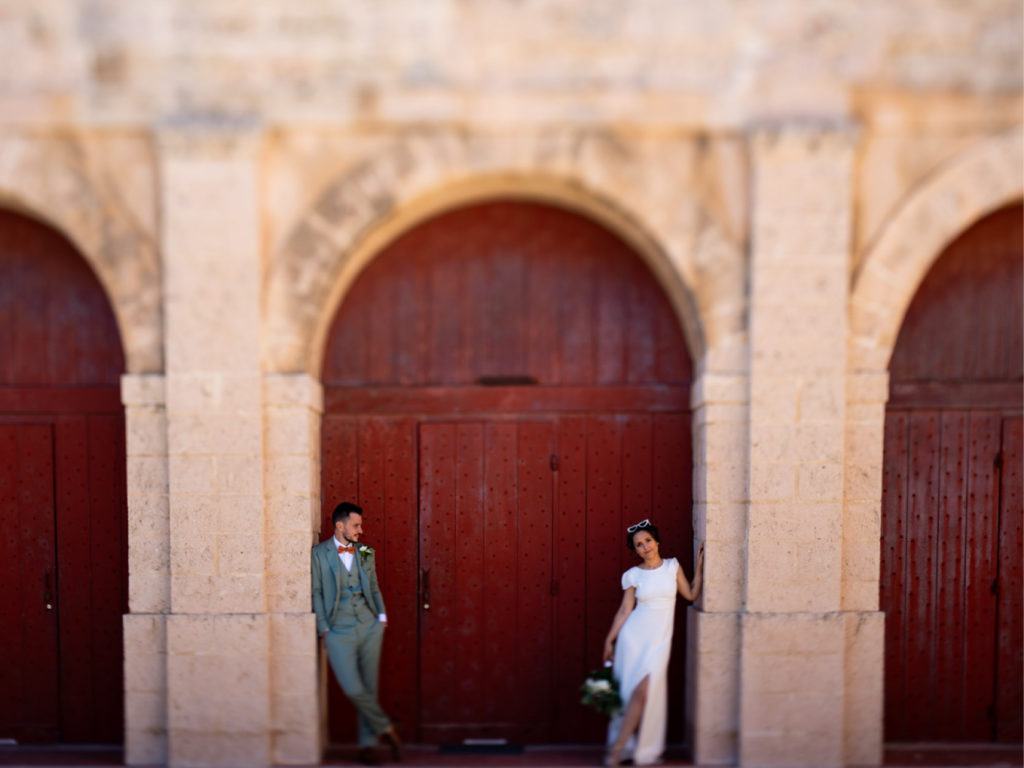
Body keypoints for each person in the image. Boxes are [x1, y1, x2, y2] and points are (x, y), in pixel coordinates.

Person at [601, 519, 704, 766]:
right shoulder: (633, 575)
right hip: (633, 639)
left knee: (645, 693)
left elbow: (690, 594)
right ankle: (617, 751)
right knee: (633, 695)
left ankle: (630, 750)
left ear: (657, 541)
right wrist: (609, 640)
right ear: (635, 550)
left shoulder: (672, 567)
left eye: (648, 540)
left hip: (658, 641)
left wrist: (699, 569)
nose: (645, 547)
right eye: (639, 545)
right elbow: (625, 611)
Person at [312, 501, 402, 766]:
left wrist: (382, 617)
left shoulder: (365, 552)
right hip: (338, 629)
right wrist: (324, 628)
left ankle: (368, 746)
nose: (361, 530)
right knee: (353, 688)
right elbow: (316, 591)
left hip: (369, 625)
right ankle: (386, 726)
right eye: (356, 525)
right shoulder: (319, 554)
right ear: (340, 526)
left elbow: (373, 587)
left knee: (369, 686)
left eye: (360, 525)